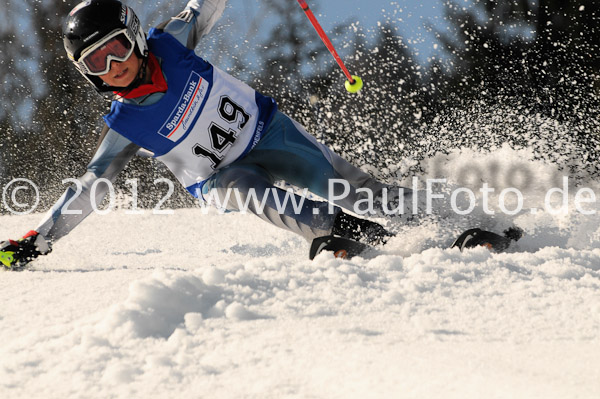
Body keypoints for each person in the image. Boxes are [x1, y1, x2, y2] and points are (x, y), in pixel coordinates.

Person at [0, 0, 418, 270]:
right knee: (253, 194)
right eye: (97, 62)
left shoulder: (172, 43)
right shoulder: (125, 124)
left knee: (346, 185)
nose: (113, 66)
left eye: (118, 49)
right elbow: (91, 186)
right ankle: (359, 236)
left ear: (135, 37)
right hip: (219, 179)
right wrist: (39, 240)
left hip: (267, 132)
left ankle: (435, 219)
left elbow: (208, 4)